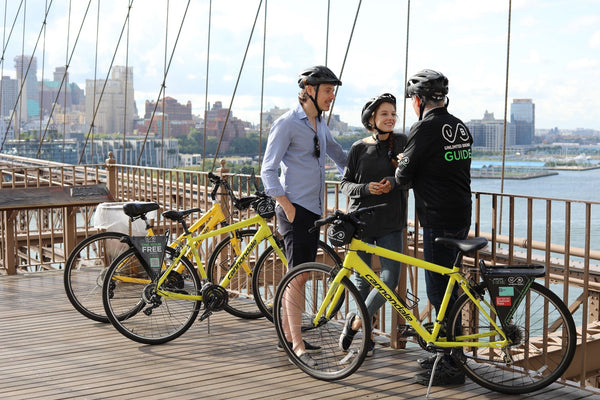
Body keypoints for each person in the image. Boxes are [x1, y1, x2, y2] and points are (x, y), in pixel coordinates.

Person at [260, 65, 347, 368]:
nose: (331, 96)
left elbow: (339, 155)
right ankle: (296, 345)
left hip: (313, 209)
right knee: (297, 278)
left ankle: (289, 333)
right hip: (295, 209)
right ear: (309, 90)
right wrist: (287, 205)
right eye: (327, 91)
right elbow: (267, 170)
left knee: (302, 274)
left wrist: (368, 175)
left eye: (333, 91)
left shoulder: (319, 123)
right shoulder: (286, 123)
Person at [394, 69, 473, 386]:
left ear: (417, 101)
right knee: (449, 288)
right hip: (461, 214)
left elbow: (403, 176)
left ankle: (453, 365)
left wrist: (402, 161)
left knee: (439, 291)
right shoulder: (460, 127)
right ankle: (446, 353)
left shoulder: (424, 128)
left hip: (437, 218)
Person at [337, 93, 407, 357]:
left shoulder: (402, 142)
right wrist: (367, 188)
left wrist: (394, 181)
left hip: (391, 222)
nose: (390, 118)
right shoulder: (358, 148)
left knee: (389, 281)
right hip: (362, 222)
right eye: (384, 114)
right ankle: (367, 339)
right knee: (362, 282)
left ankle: (355, 323)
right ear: (371, 120)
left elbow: (411, 178)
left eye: (393, 114)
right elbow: (345, 185)